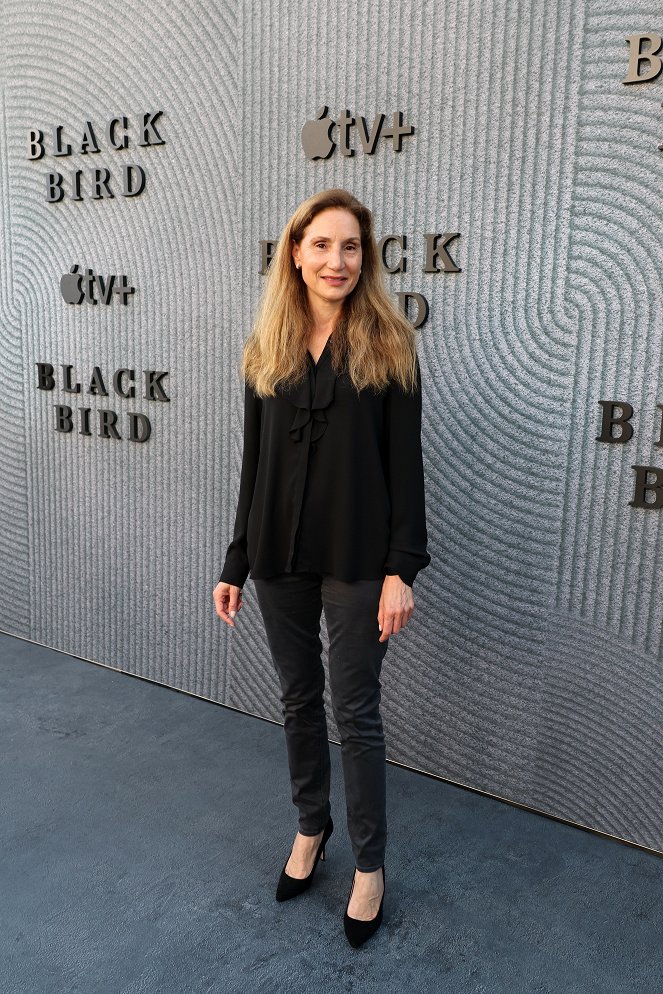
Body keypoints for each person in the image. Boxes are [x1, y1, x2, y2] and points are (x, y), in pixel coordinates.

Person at [213, 188, 431, 948]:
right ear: (294, 253)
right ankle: (311, 828)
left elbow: (406, 469)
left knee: (355, 710)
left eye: (350, 247)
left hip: (358, 557)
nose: (336, 260)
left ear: (362, 258)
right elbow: (254, 464)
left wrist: (402, 567)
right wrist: (237, 560)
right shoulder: (265, 348)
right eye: (321, 245)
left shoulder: (389, 345)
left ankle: (369, 866)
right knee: (298, 699)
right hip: (277, 556)